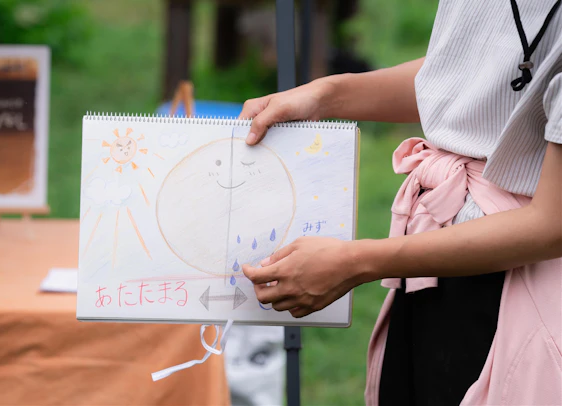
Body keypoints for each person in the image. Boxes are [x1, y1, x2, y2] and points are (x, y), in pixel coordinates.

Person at [239, 1, 562, 405]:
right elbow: (469, 75)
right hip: (431, 261)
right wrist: (326, 95)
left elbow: (552, 223)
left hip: (517, 280)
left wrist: (355, 262)